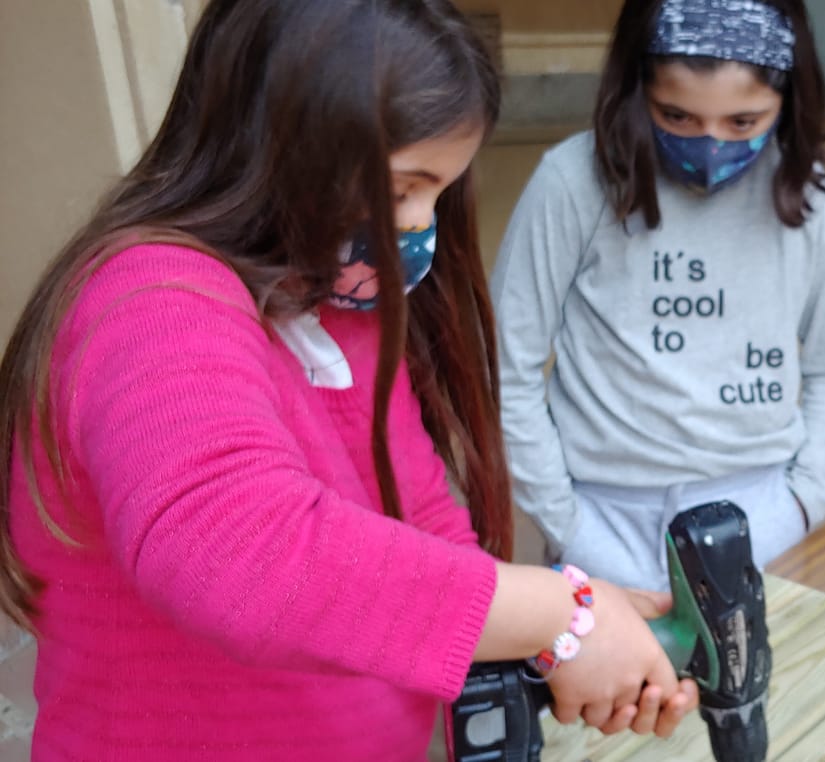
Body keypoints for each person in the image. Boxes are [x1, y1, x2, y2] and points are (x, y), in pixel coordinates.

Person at [0, 2, 697, 758]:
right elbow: (241, 555)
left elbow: (423, 519)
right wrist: (559, 610)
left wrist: (562, 637)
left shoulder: (335, 309)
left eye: (439, 192)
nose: (421, 225)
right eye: (401, 190)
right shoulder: (153, 299)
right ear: (282, 140)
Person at [493, 0, 825, 592]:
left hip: (762, 516)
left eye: (742, 122)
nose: (710, 144)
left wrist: (801, 501)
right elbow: (504, 365)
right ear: (636, 87)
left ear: (788, 98)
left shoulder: (812, 200)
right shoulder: (571, 183)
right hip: (603, 518)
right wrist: (567, 521)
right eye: (677, 116)